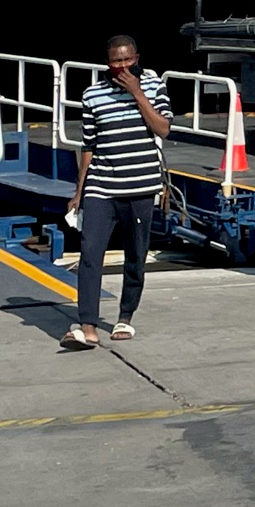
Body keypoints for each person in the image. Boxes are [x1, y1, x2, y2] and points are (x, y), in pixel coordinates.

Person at [64, 35, 172, 349]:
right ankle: (88, 325)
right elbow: (88, 145)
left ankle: (125, 316)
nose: (122, 67)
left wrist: (137, 94)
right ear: (107, 62)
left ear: (137, 57)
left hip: (140, 185)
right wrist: (79, 191)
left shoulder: (153, 86)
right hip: (102, 185)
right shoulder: (92, 94)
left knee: (135, 256)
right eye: (115, 61)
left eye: (127, 60)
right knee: (90, 253)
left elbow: (163, 128)